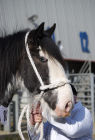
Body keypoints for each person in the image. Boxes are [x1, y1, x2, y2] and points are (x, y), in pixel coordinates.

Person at [29, 84, 93, 140]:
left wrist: (45, 112)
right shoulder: (54, 115)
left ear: (75, 97)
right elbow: (38, 138)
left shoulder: (84, 112)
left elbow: (73, 131)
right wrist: (33, 124)